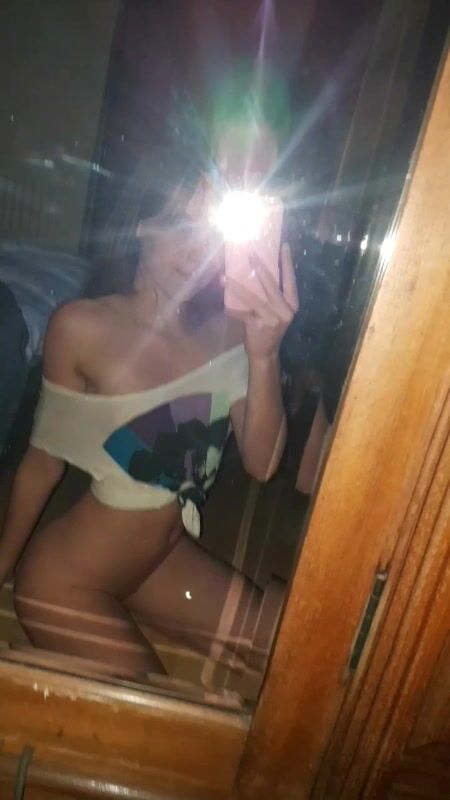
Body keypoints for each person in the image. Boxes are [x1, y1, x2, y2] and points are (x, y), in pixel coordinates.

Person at [0, 143, 298, 682]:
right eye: (180, 224)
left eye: (209, 232)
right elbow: (43, 463)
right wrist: (1, 566)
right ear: (141, 223)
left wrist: (265, 356)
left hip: (161, 564)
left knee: (297, 645)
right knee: (161, 715)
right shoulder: (82, 326)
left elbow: (262, 463)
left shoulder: (229, 332)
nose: (196, 248)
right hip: (66, 579)